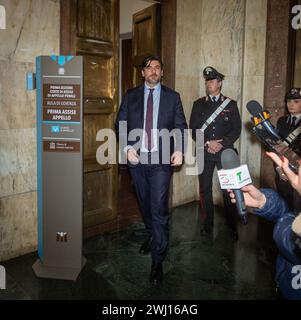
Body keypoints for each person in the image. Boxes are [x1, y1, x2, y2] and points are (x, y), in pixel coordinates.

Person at [115, 55, 187, 285]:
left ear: (162, 73)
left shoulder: (172, 97)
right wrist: (126, 147)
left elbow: (180, 126)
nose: (153, 71)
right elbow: (121, 122)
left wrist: (180, 150)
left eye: (157, 67)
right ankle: (153, 233)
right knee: (144, 202)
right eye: (149, 67)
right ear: (142, 73)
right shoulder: (131, 95)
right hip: (137, 160)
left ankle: (158, 260)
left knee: (158, 207)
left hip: (161, 161)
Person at [229, 152, 301, 300]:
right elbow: (293, 215)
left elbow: (290, 238)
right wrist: (263, 201)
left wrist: (284, 223)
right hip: (287, 281)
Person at [189, 66, 242, 240]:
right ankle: (207, 224)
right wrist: (206, 143)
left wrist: (222, 144)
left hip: (225, 154)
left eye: (212, 81)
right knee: (205, 190)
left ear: (219, 83)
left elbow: (236, 130)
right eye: (207, 81)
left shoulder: (231, 104)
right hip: (204, 152)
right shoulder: (198, 104)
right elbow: (194, 128)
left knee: (229, 191)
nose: (208, 84)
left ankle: (231, 225)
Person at [275, 88, 301, 212]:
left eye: (296, 101)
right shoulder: (281, 121)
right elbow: (276, 147)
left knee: (297, 207)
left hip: (299, 172)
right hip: (282, 171)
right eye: (289, 101)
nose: (291, 104)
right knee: (284, 205)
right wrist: (278, 168)